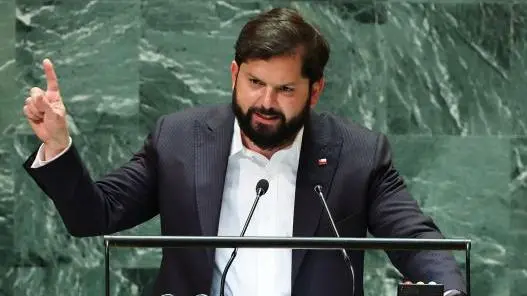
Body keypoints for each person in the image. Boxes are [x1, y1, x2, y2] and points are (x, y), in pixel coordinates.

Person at [21, 7, 466, 296]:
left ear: (314, 92)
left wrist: (448, 290)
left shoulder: (357, 153)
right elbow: (94, 215)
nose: (266, 103)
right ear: (235, 74)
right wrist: (58, 146)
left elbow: (414, 238)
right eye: (255, 83)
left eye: (285, 89)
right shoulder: (179, 139)